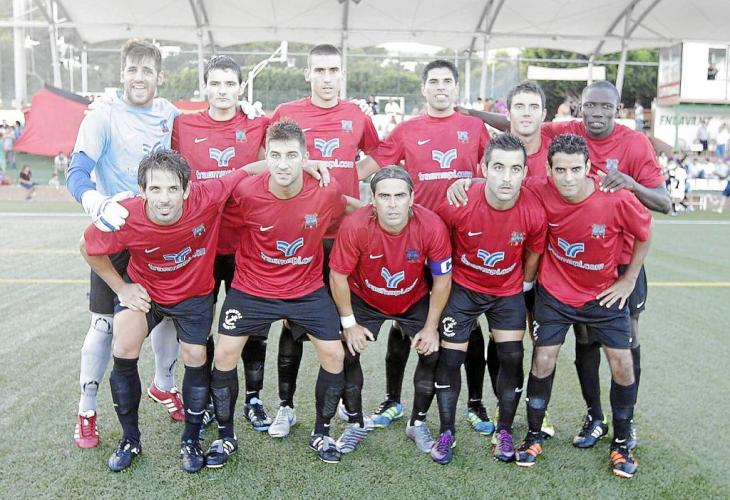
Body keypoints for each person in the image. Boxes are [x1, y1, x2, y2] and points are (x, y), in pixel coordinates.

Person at [459, 80, 670, 449]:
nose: (597, 113)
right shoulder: (566, 130)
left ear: (617, 109)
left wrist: (631, 184)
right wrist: (467, 114)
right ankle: (594, 416)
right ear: (579, 108)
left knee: (625, 341)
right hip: (572, 267)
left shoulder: (635, 143)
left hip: (620, 261)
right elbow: (517, 122)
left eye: (606, 107)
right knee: (575, 341)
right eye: (591, 106)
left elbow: (664, 204)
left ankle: (626, 422)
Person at [204, 119, 361, 467]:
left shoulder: (326, 189)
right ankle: (225, 437)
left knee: (334, 354)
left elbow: (351, 206)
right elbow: (208, 203)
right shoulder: (246, 191)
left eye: (292, 156)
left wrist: (384, 210)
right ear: (267, 158)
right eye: (275, 155)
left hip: (306, 289)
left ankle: (321, 433)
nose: (283, 164)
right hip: (252, 288)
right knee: (225, 353)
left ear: (305, 157)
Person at [80, 149, 248, 473]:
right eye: (155, 189)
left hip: (194, 294)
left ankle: (190, 440)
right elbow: (87, 247)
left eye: (173, 189)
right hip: (146, 291)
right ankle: (130, 439)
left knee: (195, 355)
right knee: (123, 346)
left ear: (186, 189)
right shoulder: (127, 214)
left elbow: (246, 171)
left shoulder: (208, 196)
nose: (164, 198)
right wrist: (121, 288)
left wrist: (305, 165)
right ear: (142, 191)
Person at [357, 59, 491, 433]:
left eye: (447, 81)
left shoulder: (474, 128)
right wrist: (324, 175)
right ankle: (392, 400)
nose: (441, 87)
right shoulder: (407, 130)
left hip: (464, 244)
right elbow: (371, 166)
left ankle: (476, 403)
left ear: (456, 87)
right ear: (424, 88)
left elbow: (496, 170)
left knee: (468, 326)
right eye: (434, 81)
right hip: (416, 244)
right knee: (404, 322)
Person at [66, 39, 184, 449]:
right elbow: (77, 171)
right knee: (104, 326)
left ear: (159, 76)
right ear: (122, 73)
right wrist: (94, 200)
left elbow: (207, 138)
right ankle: (86, 410)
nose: (139, 77)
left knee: (167, 317)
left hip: (158, 235)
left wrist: (245, 114)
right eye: (132, 69)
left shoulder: (170, 114)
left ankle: (164, 384)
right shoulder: (103, 115)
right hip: (116, 234)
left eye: (147, 70)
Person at [513, 134, 651, 479]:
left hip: (603, 295)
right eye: (560, 170)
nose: (568, 178)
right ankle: (533, 436)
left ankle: (622, 443)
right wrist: (466, 183)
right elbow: (503, 183)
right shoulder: (539, 188)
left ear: (589, 167)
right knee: (543, 358)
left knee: (622, 364)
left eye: (576, 169)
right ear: (549, 170)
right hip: (555, 293)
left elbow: (644, 234)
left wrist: (629, 280)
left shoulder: (615, 196)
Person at [264, 44, 380, 439]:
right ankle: (286, 406)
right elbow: (270, 159)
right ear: (307, 74)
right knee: (293, 323)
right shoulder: (287, 113)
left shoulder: (356, 115)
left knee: (349, 319)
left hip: (346, 235)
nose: (327, 78)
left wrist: (348, 172)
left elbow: (378, 154)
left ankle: (348, 402)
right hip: (303, 235)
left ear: (341, 74)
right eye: (319, 70)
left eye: (333, 70)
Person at [172, 55, 273, 433]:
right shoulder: (183, 125)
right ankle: (213, 399)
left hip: (247, 242)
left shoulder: (258, 123)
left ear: (241, 88)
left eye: (230, 84)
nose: (222, 91)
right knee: (202, 323)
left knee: (254, 324)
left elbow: (287, 150)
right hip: (201, 244)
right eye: (215, 83)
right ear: (205, 87)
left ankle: (254, 399)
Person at [430, 134, 546, 464]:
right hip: (463, 290)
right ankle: (447, 432)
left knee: (512, 358)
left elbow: (534, 253)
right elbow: (436, 241)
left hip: (506, 292)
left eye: (515, 169)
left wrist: (523, 287)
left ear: (525, 172)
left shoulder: (534, 211)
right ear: (483, 168)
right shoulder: (458, 201)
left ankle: (504, 431)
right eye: (498, 167)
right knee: (450, 360)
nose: (506, 177)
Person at [329, 166, 452, 455]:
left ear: (412, 198)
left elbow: (443, 279)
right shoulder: (356, 225)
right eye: (385, 196)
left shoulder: (431, 226)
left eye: (400, 196)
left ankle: (417, 423)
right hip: (365, 297)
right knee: (346, 350)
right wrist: (349, 324)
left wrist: (431, 327)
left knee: (432, 351)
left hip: (413, 297)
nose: (393, 204)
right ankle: (355, 423)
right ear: (372, 199)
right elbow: (337, 276)